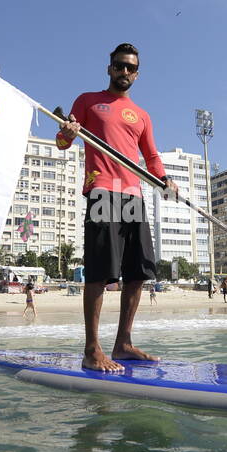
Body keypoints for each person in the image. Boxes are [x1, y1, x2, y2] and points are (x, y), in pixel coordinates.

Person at [57, 43, 173, 371]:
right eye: (119, 66)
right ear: (109, 68)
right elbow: (63, 141)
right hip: (102, 191)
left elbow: (151, 157)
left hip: (133, 195)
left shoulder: (142, 116)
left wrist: (165, 179)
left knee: (138, 272)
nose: (124, 72)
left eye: (130, 68)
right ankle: (92, 350)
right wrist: (67, 133)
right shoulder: (87, 101)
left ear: (136, 74)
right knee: (99, 271)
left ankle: (123, 344)